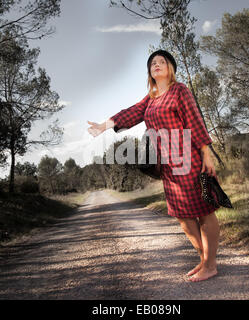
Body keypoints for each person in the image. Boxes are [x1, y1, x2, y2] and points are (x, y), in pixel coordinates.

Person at [87, 49, 220, 282]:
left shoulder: (180, 91)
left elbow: (195, 120)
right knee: (183, 216)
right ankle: (204, 260)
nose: (156, 64)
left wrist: (206, 153)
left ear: (171, 68)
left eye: (162, 61)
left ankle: (210, 265)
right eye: (153, 63)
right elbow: (129, 114)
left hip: (189, 158)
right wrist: (103, 126)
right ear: (150, 71)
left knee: (204, 211)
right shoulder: (151, 98)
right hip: (167, 165)